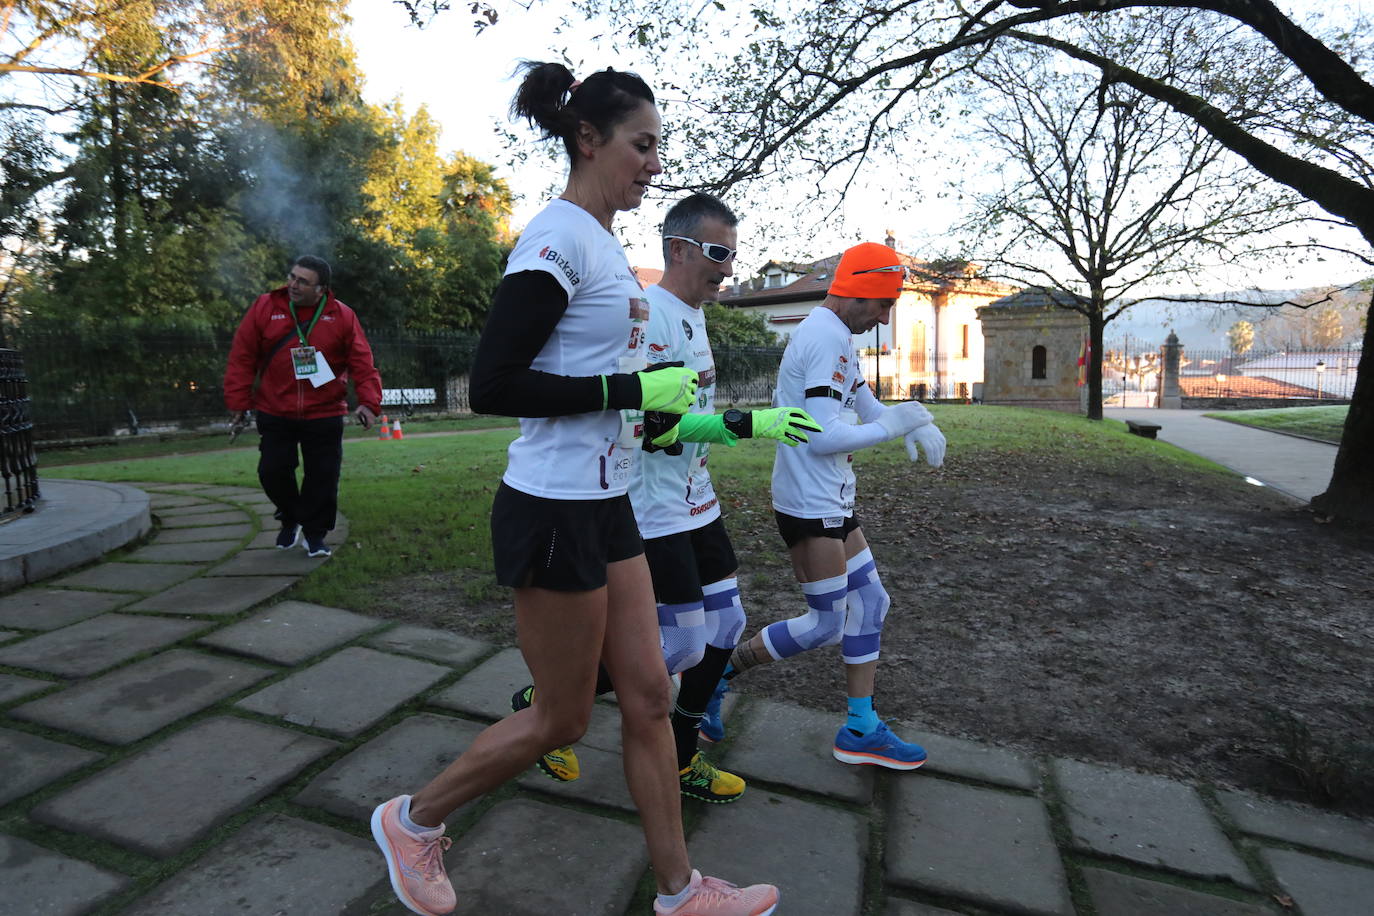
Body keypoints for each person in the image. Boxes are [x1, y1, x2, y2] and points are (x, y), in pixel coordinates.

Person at [367, 64, 779, 916]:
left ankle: (680, 892)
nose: (654, 165)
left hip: (609, 503)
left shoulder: (603, 247)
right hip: (552, 509)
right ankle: (413, 821)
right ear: (589, 140)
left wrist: (682, 413)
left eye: (658, 148)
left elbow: (616, 384)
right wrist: (629, 393)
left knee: (651, 695)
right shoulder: (555, 238)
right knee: (560, 719)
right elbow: (494, 384)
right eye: (642, 146)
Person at [513, 192, 822, 805]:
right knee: (681, 644)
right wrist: (748, 424)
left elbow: (691, 412)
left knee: (729, 623)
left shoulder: (695, 312)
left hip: (698, 501)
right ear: (677, 249)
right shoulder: (649, 315)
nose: (728, 267)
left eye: (733, 254)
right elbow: (654, 431)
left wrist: (739, 424)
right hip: (652, 512)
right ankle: (547, 701)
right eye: (716, 252)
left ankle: (682, 757)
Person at [703, 241, 947, 770]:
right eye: (883, 304)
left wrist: (915, 420)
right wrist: (891, 427)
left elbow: (863, 401)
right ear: (858, 293)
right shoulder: (824, 339)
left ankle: (860, 728)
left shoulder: (836, 334)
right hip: (809, 504)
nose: (885, 317)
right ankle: (715, 676)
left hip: (832, 498)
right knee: (824, 625)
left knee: (873, 604)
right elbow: (821, 436)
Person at [223, 255, 381, 559]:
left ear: (320, 289)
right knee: (272, 472)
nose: (293, 285)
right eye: (292, 277)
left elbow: (362, 362)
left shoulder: (342, 316)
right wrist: (239, 402)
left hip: (325, 411)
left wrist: (369, 403)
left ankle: (315, 534)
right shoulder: (265, 307)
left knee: (322, 477)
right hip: (274, 408)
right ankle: (291, 515)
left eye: (302, 281)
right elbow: (242, 357)